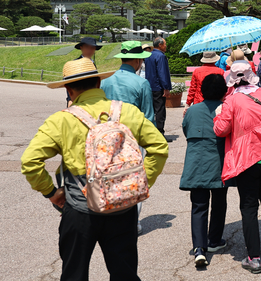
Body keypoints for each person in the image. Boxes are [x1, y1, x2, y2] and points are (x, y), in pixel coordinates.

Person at [20, 58, 169, 281]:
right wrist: (138, 182)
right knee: (125, 273)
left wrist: (51, 192)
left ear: (69, 91)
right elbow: (159, 148)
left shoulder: (60, 120)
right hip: (122, 207)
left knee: (74, 274)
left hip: (80, 210)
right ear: (99, 84)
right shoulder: (127, 112)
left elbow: (29, 162)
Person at [213, 62, 261, 274]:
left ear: (232, 80)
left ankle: (253, 257)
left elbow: (221, 129)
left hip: (248, 157)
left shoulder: (231, 100)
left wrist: (218, 114)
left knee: (248, 206)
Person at [101, 40, 156, 235]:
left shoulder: (106, 81)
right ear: (136, 61)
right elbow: (148, 116)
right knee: (135, 179)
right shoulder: (141, 83)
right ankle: (133, 222)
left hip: (108, 136)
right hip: (133, 137)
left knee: (111, 176)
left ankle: (111, 215)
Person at [181, 74, 230, 267]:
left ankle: (199, 248)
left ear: (202, 91)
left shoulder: (192, 111)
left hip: (197, 163)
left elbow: (186, 130)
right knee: (219, 203)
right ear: (224, 92)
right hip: (219, 162)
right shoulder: (225, 110)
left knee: (199, 205)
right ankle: (214, 240)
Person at [144, 36, 172, 139]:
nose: (166, 46)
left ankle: (151, 132)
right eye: (164, 44)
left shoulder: (149, 55)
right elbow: (162, 73)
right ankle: (160, 133)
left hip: (149, 86)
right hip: (158, 87)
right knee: (160, 111)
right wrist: (166, 87)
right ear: (160, 45)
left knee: (151, 110)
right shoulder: (161, 56)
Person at [67, 37, 102, 106]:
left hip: (92, 99)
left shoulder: (92, 64)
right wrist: (70, 99)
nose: (89, 50)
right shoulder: (76, 63)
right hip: (77, 99)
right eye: (87, 47)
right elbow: (69, 82)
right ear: (81, 47)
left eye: (92, 48)